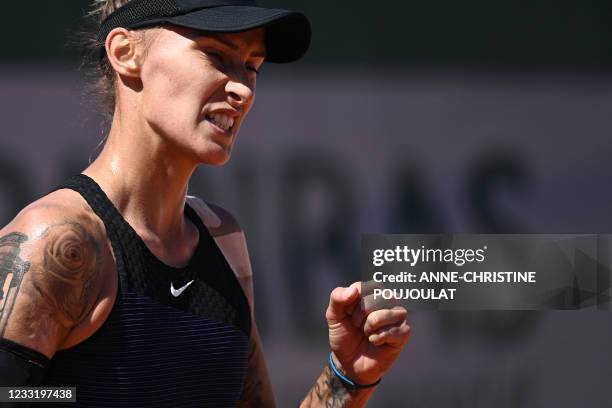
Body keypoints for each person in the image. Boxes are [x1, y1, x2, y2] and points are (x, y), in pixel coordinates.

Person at [0, 0, 411, 406]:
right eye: (216, 55)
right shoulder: (52, 241)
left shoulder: (225, 242)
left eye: (252, 66)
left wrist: (347, 376)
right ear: (126, 53)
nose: (242, 89)